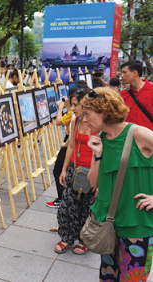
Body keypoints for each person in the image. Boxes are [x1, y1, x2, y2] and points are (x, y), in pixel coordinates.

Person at [83, 87, 153, 281]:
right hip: (109, 225)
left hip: (137, 225)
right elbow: (93, 182)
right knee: (108, 277)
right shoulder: (101, 139)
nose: (84, 120)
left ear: (104, 113)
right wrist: (97, 155)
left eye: (87, 115)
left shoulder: (138, 134)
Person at [55, 87, 96, 255]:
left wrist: (100, 181)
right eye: (71, 105)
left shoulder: (97, 123)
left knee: (86, 208)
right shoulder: (75, 121)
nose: (72, 109)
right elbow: (71, 145)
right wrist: (64, 170)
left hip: (92, 172)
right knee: (67, 205)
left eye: (75, 105)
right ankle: (66, 236)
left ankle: (84, 240)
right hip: (74, 168)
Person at [46, 84, 80, 209]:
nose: (73, 107)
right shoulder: (77, 115)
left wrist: (60, 108)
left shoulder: (74, 116)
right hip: (70, 141)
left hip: (71, 141)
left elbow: (58, 122)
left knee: (59, 170)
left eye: (74, 104)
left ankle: (62, 199)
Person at [120, 60, 153, 131]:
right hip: (129, 138)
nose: (121, 76)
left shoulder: (151, 89)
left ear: (135, 73)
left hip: (149, 138)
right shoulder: (122, 94)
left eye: (124, 72)